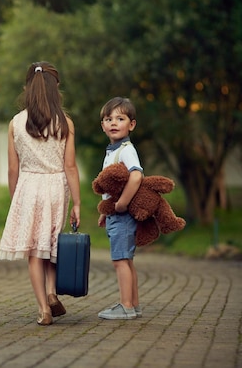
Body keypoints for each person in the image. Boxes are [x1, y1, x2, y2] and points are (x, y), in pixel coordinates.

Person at [0, 61, 81, 326]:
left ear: (26, 88)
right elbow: (70, 166)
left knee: (35, 250)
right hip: (56, 186)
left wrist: (16, 199)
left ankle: (44, 309)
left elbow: (13, 168)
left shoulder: (15, 123)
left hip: (29, 187)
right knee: (53, 244)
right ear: (56, 89)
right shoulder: (65, 122)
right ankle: (52, 291)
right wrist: (77, 203)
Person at [97, 97, 143, 320]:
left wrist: (122, 203)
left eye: (120, 118)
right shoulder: (112, 151)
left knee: (120, 260)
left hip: (123, 215)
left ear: (131, 125)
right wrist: (105, 211)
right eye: (108, 119)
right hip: (115, 215)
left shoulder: (126, 149)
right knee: (126, 259)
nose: (113, 123)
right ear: (103, 125)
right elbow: (111, 186)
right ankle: (133, 304)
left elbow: (136, 176)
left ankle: (126, 306)